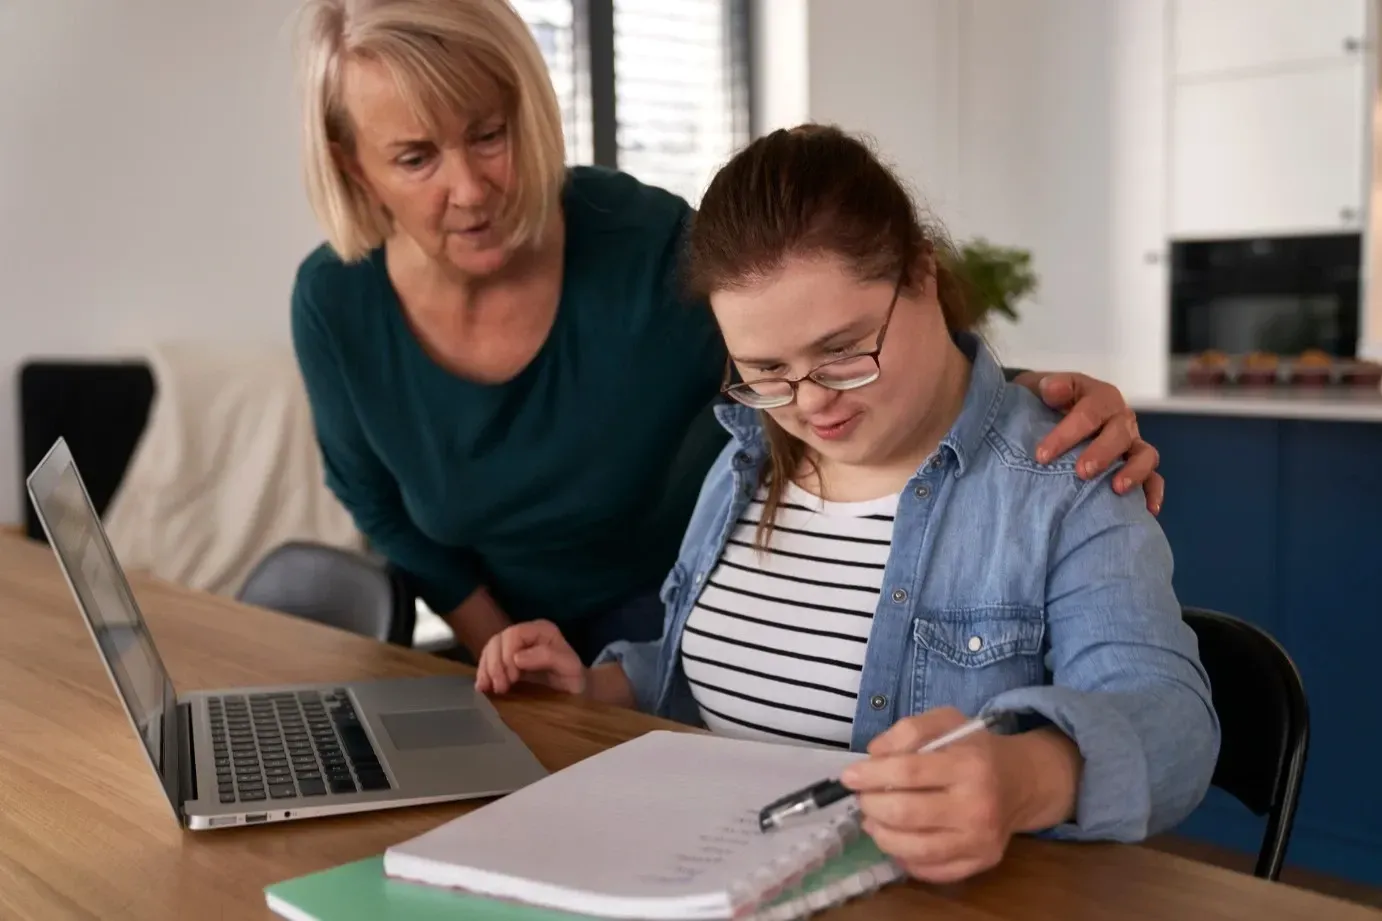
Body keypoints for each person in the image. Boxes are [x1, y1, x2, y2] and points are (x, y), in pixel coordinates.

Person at [289, 0, 1167, 666]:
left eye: (489, 135)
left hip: (673, 619)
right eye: (416, 157)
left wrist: (1030, 400)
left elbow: (829, 349)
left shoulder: (645, 247)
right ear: (351, 162)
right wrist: (499, 642)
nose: (472, 189)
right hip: (501, 636)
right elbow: (378, 504)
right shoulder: (333, 303)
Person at [475, 125, 1219, 885]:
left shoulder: (1064, 475)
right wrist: (596, 687)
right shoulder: (743, 461)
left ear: (921, 273)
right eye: (767, 369)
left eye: (842, 351)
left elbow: (1174, 725)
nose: (810, 403)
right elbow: (709, 668)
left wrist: (1027, 775)